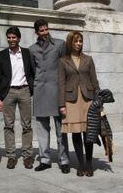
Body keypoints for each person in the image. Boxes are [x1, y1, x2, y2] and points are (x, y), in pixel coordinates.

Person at [29, 19, 70, 173]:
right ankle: (45, 159)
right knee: (41, 128)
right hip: (40, 91)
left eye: (46, 29)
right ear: (36, 32)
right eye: (41, 31)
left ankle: (64, 160)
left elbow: (66, 66)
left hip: (57, 91)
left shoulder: (59, 44)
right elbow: (33, 70)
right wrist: (36, 85)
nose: (45, 33)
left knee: (61, 128)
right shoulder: (32, 49)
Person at [58, 31, 100, 177]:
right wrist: (61, 104)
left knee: (89, 133)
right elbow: (61, 84)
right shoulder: (63, 61)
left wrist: (98, 100)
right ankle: (81, 165)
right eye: (76, 41)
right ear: (70, 43)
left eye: (80, 41)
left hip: (88, 99)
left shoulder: (88, 59)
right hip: (71, 101)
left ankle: (89, 164)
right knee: (76, 133)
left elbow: (94, 81)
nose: (78, 44)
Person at [0, 26, 34, 170]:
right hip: (8, 92)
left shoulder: (27, 53)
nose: (11, 40)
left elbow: (32, 72)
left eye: (14, 37)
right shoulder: (1, 55)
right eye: (9, 37)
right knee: (8, 125)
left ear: (19, 38)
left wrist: (31, 88)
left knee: (27, 125)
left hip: (24, 90)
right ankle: (11, 156)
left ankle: (27, 156)